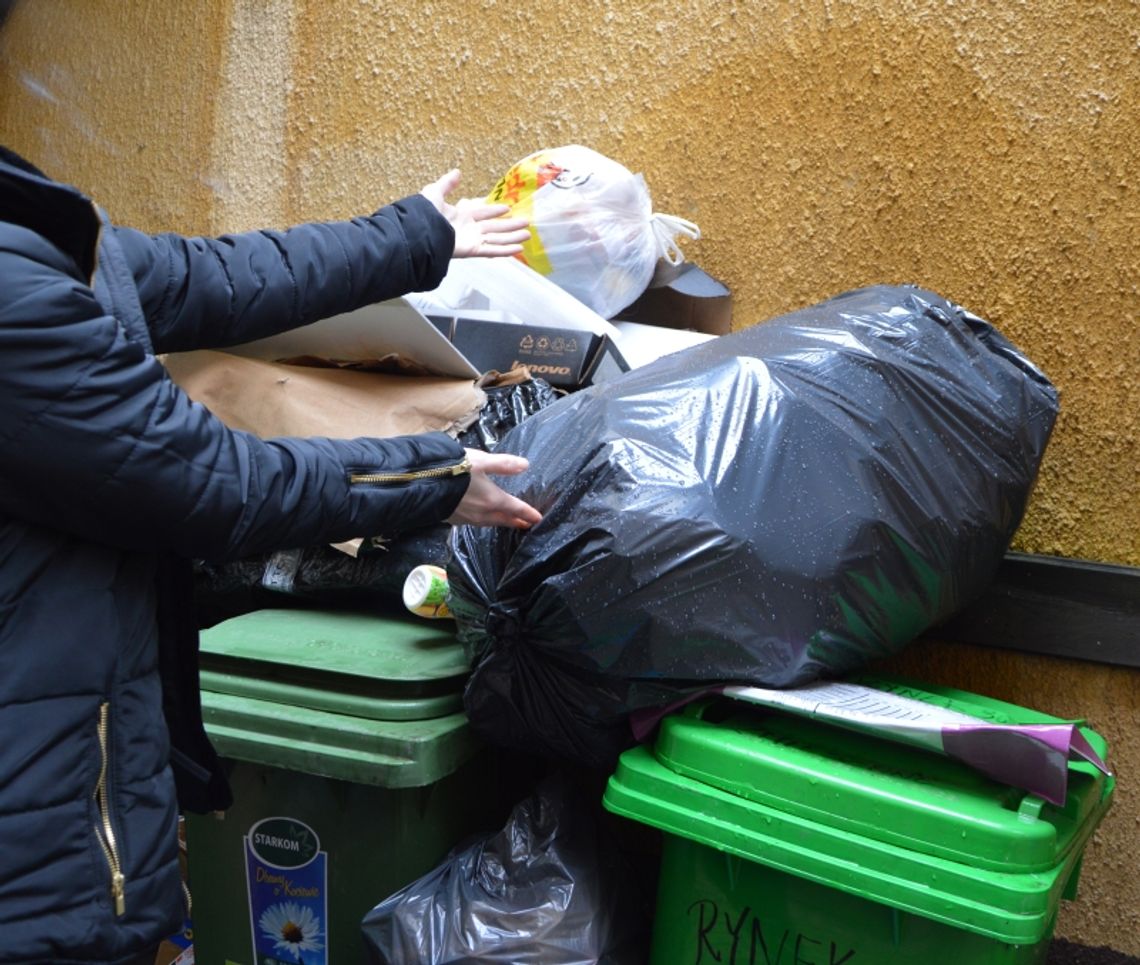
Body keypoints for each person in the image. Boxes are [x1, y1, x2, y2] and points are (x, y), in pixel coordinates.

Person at [0, 145, 542, 965]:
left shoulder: (25, 234)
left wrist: (413, 236)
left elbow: (200, 278)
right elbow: (211, 483)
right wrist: (433, 475)